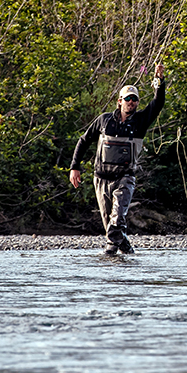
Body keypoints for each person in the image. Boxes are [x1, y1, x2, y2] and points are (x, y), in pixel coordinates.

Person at [69, 64, 166, 255]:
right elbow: (84, 140)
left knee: (117, 218)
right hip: (101, 178)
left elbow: (158, 103)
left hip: (125, 178)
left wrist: (159, 81)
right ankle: (127, 253)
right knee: (110, 226)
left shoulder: (141, 121)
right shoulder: (104, 120)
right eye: (128, 99)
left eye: (135, 99)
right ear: (119, 101)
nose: (131, 102)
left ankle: (109, 255)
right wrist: (74, 167)